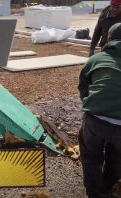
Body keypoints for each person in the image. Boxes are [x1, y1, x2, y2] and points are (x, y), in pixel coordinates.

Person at [78, 23, 121, 198]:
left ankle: (96, 194)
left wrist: (93, 107)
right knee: (117, 157)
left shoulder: (96, 59)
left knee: (90, 157)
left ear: (109, 39)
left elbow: (83, 88)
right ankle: (111, 189)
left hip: (96, 120)